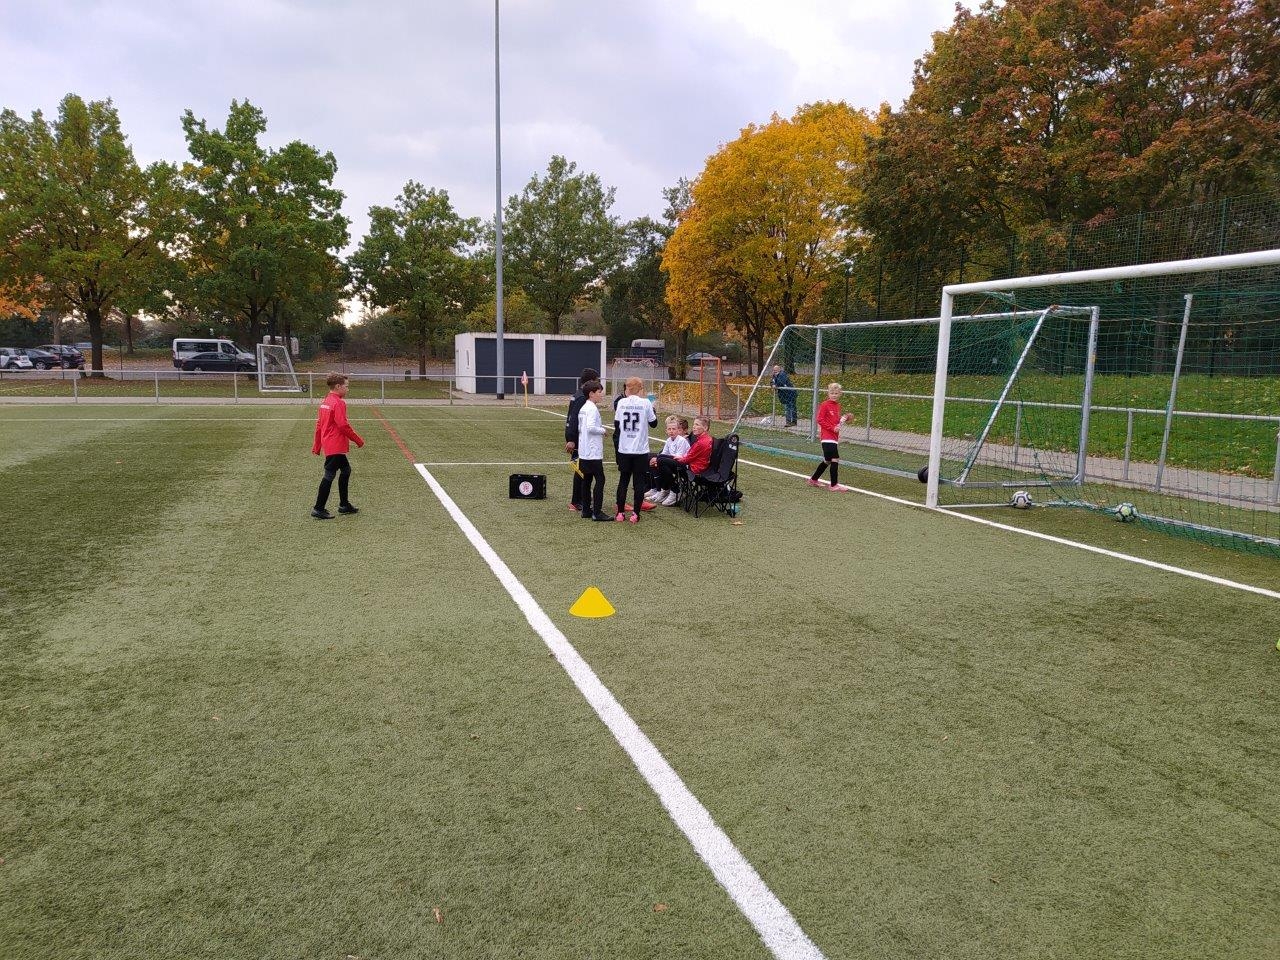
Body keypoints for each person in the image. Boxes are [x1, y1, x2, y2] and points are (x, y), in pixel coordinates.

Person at [311, 373, 365, 519]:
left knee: (346, 470)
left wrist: (317, 445)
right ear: (338, 386)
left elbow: (319, 425)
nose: (348, 389)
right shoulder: (338, 403)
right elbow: (343, 425)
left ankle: (344, 504)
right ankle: (318, 508)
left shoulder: (326, 401)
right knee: (329, 475)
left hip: (331, 444)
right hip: (335, 445)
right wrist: (358, 440)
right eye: (346, 386)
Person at [612, 376, 659, 523]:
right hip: (640, 449)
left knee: (623, 480)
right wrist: (653, 408)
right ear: (640, 389)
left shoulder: (621, 402)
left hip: (624, 448)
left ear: (627, 388)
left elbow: (617, 424)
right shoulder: (646, 403)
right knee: (638, 482)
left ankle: (620, 513)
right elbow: (654, 423)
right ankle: (635, 514)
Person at [564, 367, 599, 512]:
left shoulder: (577, 395)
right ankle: (576, 500)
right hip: (579, 439)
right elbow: (573, 419)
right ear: (590, 381)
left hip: (578, 438)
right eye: (596, 381)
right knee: (581, 470)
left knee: (581, 469)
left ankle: (582, 498)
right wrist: (571, 439)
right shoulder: (581, 398)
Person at [576, 380, 612, 521]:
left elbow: (581, 428)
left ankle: (586, 510)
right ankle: (597, 512)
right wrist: (603, 430)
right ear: (591, 394)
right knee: (600, 479)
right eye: (599, 392)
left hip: (584, 449)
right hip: (592, 451)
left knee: (587, 480)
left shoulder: (584, 408)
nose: (601, 395)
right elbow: (591, 427)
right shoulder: (591, 408)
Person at [808, 382, 854, 492]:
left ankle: (813, 480)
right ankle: (834, 485)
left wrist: (844, 418)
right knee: (835, 459)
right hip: (827, 437)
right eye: (832, 393)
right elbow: (820, 420)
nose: (834, 395)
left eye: (836, 393)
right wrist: (832, 428)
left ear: (840, 394)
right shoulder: (825, 405)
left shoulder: (837, 406)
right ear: (828, 394)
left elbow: (835, 421)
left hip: (834, 438)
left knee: (828, 460)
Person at [660, 415, 712, 506]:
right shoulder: (702, 439)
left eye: (697, 425)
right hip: (691, 465)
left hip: (693, 469)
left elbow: (687, 459)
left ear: (705, 428)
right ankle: (664, 489)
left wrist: (679, 458)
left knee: (661, 461)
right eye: (694, 424)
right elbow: (689, 457)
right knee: (660, 458)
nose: (694, 427)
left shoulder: (702, 442)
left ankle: (674, 490)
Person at [643, 416, 690, 509]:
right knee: (652, 458)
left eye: (674, 429)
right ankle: (660, 489)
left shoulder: (682, 441)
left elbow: (678, 457)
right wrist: (656, 459)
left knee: (660, 460)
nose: (671, 431)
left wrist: (658, 458)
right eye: (669, 429)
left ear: (678, 430)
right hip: (672, 464)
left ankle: (675, 490)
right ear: (666, 431)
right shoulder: (669, 440)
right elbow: (664, 453)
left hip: (683, 466)